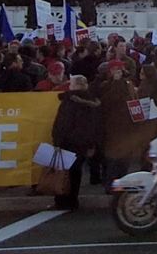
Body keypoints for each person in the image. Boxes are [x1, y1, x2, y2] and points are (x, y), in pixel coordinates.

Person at [51, 75, 101, 210]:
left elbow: (63, 124)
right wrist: (92, 144)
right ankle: (73, 200)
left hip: (67, 142)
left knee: (63, 172)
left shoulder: (70, 101)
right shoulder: (93, 102)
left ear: (74, 85)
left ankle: (62, 201)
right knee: (76, 173)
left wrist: (57, 141)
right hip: (82, 143)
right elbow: (95, 126)